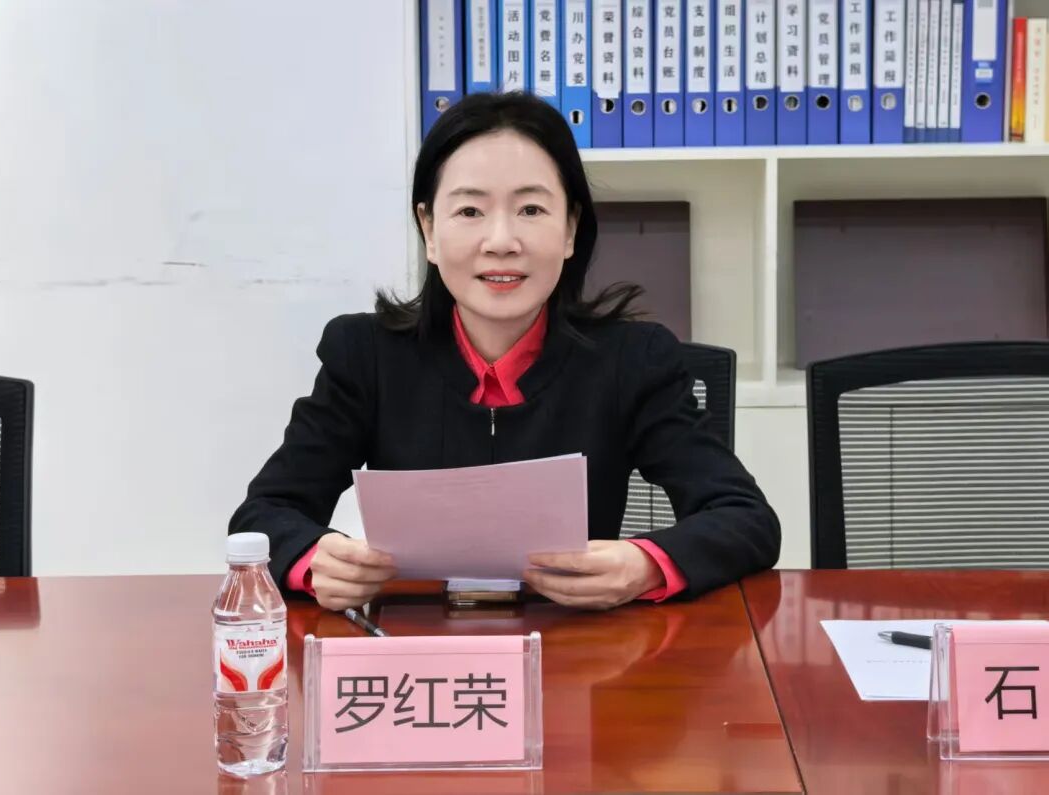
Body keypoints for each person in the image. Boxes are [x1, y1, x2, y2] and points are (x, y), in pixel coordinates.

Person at [229, 91, 780, 611]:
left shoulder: (633, 360)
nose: (501, 241)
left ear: (570, 230)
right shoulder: (365, 355)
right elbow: (263, 515)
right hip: (418, 652)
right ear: (429, 229)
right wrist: (316, 559)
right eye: (470, 211)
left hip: (583, 649)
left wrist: (645, 565)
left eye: (531, 210)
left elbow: (746, 518)